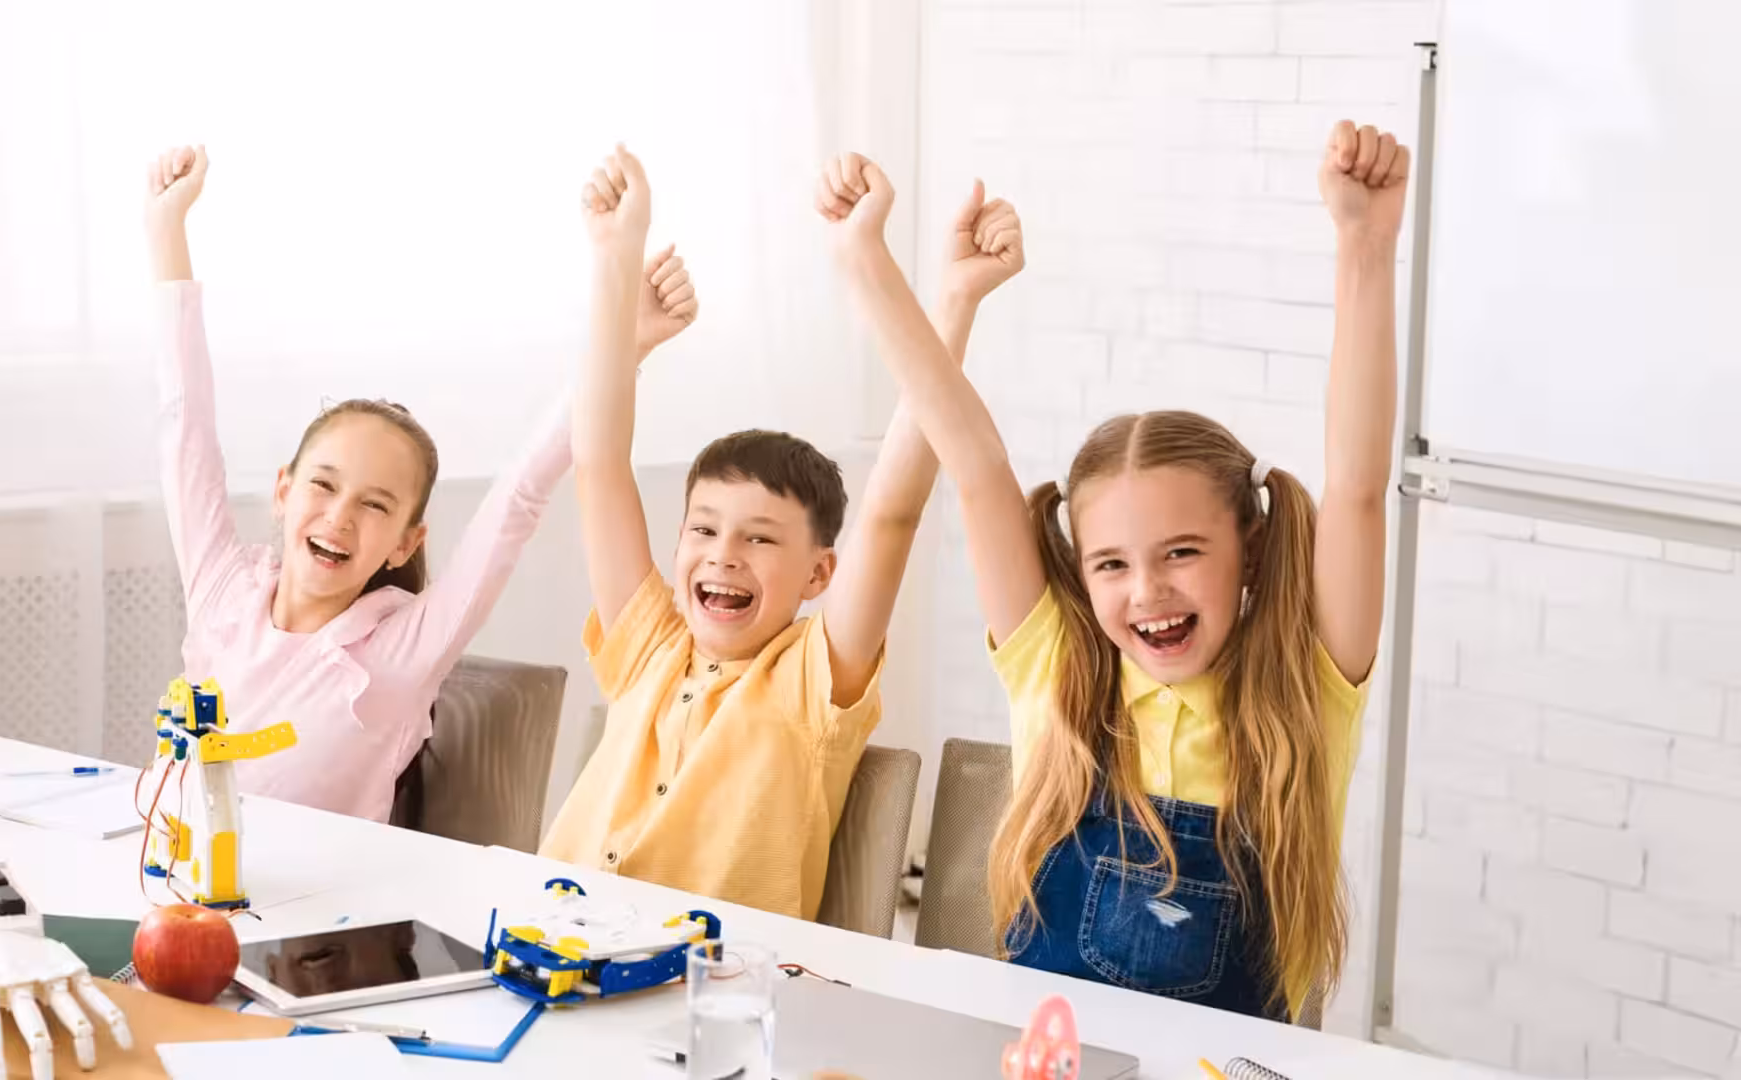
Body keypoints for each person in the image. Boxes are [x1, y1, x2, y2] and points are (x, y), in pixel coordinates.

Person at [829, 122, 1407, 1021]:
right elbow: (972, 462)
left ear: (1251, 547)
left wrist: (1364, 247)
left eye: (1182, 552)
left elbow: (1360, 488)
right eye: (1111, 563)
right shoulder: (1057, 670)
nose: (1148, 591)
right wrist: (866, 260)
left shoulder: (1306, 690)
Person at [142, 144, 698, 821]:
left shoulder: (399, 654)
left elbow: (521, 493)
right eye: (324, 486)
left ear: (406, 543)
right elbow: (185, 429)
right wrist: (167, 230)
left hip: (322, 893)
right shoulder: (223, 595)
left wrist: (624, 343)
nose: (340, 517)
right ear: (284, 492)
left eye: (375, 505)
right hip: (171, 872)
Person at [538, 146, 1025, 919]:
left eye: (760, 539)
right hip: (548, 936)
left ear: (819, 574)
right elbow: (597, 463)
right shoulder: (649, 649)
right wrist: (615, 257)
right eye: (704, 530)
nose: (724, 555)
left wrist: (956, 303)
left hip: (705, 974)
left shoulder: (812, 679)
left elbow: (892, 513)